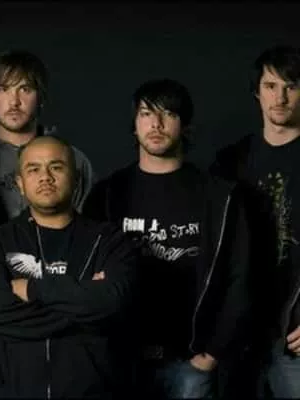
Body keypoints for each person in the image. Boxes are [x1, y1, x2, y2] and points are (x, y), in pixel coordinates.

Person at [82, 78, 250, 399]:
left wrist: (211, 354)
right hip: (122, 360)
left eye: (168, 114)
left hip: (191, 362)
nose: (156, 124)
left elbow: (240, 277)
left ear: (185, 125)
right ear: (134, 125)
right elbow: (87, 277)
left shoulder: (219, 196)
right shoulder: (107, 195)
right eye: (146, 114)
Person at [0, 135, 138, 399]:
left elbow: (113, 303)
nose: (45, 177)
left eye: (56, 167)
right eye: (33, 169)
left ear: (76, 179)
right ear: (20, 184)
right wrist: (87, 305)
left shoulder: (109, 241)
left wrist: (33, 290)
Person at [210, 44, 300, 398]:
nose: (280, 97)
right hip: (237, 333)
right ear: (256, 92)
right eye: (271, 86)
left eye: (291, 86)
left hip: (293, 334)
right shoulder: (229, 163)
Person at [0, 49, 94, 224]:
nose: (14, 101)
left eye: (25, 89)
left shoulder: (73, 160)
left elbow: (87, 229)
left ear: (41, 98)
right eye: (3, 89)